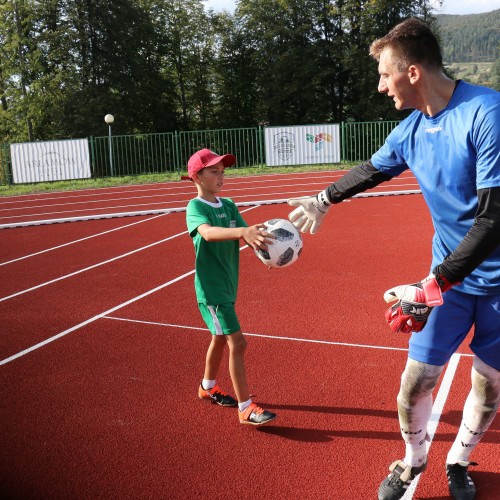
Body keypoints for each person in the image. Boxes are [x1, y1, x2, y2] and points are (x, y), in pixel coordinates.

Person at [287, 18, 499, 500]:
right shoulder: (410, 131)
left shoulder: (488, 113)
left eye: (385, 74)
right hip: (449, 284)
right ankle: (411, 461)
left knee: (488, 389)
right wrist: (324, 197)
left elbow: (493, 219)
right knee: (414, 385)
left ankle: (459, 462)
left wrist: (433, 284)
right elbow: (372, 168)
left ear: (414, 72)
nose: (381, 86)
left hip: (488, 287)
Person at [184, 148, 277, 426]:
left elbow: (250, 235)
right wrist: (242, 232)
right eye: (214, 171)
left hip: (227, 286)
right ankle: (245, 408)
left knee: (219, 338)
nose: (220, 176)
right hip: (212, 291)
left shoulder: (229, 205)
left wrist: (266, 250)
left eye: (222, 171)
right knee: (238, 342)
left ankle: (207, 386)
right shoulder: (196, 207)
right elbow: (208, 233)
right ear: (197, 176)